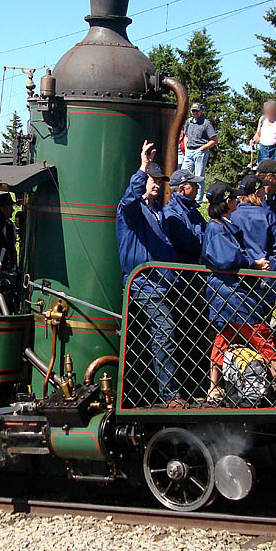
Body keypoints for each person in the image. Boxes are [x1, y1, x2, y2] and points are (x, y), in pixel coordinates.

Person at [201, 181, 276, 403]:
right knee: (259, 333)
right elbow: (226, 258)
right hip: (230, 294)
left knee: (224, 338)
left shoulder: (223, 225)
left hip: (229, 292)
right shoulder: (217, 228)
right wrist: (253, 263)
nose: (237, 201)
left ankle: (214, 386)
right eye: (234, 198)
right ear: (227, 202)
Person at [116, 141, 181, 406]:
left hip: (163, 283)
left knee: (168, 333)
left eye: (159, 180)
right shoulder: (132, 210)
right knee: (165, 330)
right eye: (152, 179)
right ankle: (170, 395)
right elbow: (129, 198)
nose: (156, 184)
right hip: (143, 283)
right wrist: (143, 166)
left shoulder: (159, 213)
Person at [162, 168, 206, 264]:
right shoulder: (171, 214)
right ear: (182, 189)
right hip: (182, 268)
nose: (198, 188)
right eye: (194, 184)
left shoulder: (191, 209)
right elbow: (190, 244)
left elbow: (207, 230)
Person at [181, 103, 218, 203]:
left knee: (199, 177)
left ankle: (198, 201)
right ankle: (184, 197)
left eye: (197, 111)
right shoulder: (188, 122)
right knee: (183, 175)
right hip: (189, 151)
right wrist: (186, 148)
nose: (195, 113)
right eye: (193, 110)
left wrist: (202, 149)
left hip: (200, 152)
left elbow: (214, 140)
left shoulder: (206, 123)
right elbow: (186, 136)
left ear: (201, 111)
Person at [252, 100, 276, 165]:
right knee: (262, 168)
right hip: (263, 149)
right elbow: (258, 134)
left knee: (275, 168)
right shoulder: (262, 119)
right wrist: (254, 140)